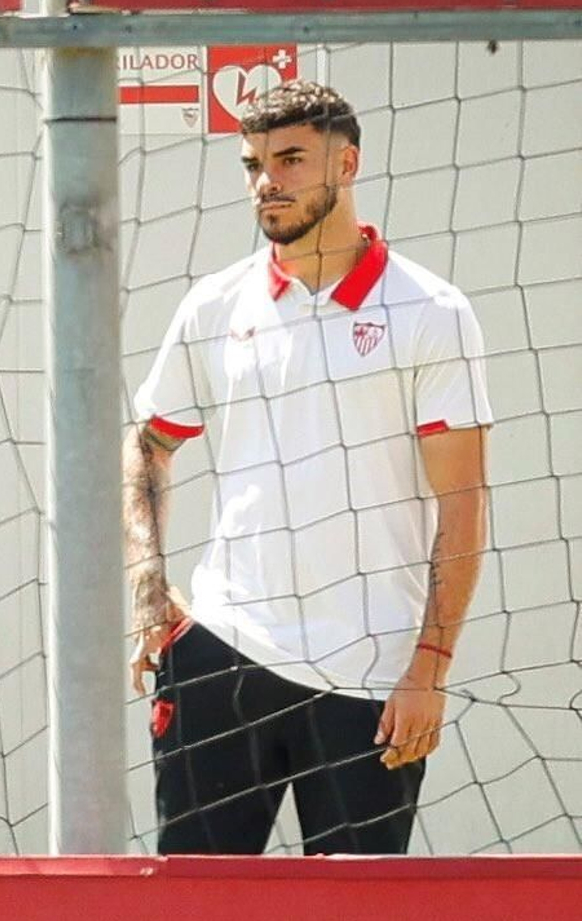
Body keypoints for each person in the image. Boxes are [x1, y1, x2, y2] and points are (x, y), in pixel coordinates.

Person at [124, 81, 491, 855]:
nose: (267, 181)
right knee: (193, 912)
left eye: (290, 159)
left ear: (347, 164)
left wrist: (429, 667)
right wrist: (150, 588)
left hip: (371, 676)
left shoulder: (430, 311)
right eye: (253, 163)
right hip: (221, 655)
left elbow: (462, 501)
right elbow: (149, 444)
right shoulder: (214, 304)